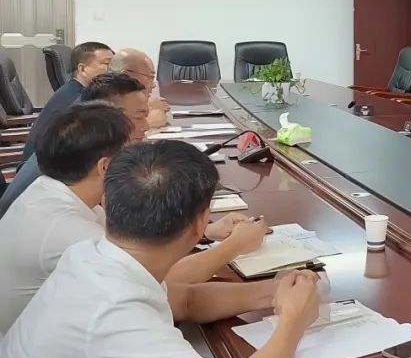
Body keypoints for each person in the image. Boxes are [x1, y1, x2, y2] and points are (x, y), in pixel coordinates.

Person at [0, 140, 320, 358]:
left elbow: (186, 300)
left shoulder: (95, 256)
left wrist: (273, 291)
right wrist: (292, 322)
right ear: (200, 223)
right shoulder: (114, 307)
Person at [0, 103, 268, 334]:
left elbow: (141, 257)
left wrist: (204, 232)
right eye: (133, 149)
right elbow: (161, 282)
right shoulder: (66, 229)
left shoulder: (58, 191)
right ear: (105, 166)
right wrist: (234, 246)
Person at [0, 72, 150, 218]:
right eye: (139, 117)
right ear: (109, 117)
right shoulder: (76, 165)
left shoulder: (77, 145)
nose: (146, 126)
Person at [22, 40, 113, 159]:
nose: (113, 70)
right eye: (107, 64)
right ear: (82, 69)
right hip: (44, 166)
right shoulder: (77, 101)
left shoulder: (76, 90)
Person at [111, 47, 172, 128]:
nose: (153, 85)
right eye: (150, 77)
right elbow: (110, 133)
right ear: (126, 76)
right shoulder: (103, 103)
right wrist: (149, 122)